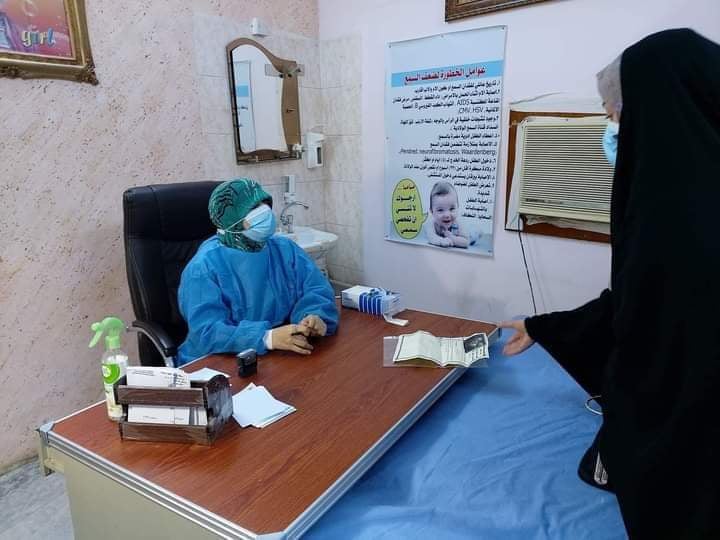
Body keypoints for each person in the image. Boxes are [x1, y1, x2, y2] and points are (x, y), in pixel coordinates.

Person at [500, 29, 720, 538]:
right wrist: (546, 326)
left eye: (616, 114)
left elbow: (655, 326)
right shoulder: (687, 189)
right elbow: (649, 299)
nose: (613, 128)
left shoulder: (677, 213)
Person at [176, 178, 339, 366]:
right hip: (220, 362)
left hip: (283, 354)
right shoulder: (204, 267)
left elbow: (316, 289)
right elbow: (207, 332)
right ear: (232, 221)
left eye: (264, 204)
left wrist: (313, 318)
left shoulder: (284, 249)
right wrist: (267, 337)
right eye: (254, 209)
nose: (265, 213)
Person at [424, 181, 469, 248]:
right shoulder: (431, 224)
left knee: (473, 234)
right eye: (440, 210)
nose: (447, 215)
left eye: (452, 209)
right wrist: (442, 241)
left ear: (458, 207)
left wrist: (452, 237)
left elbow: (466, 242)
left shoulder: (457, 224)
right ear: (432, 212)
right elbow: (431, 238)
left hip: (468, 234)